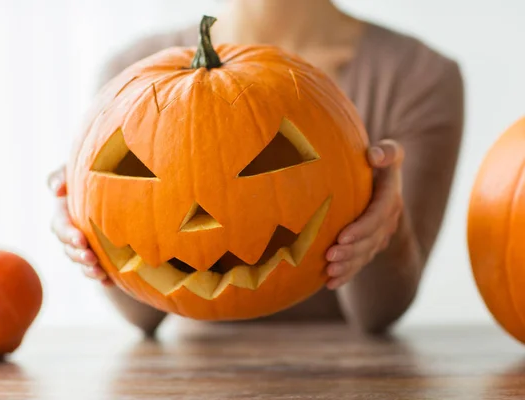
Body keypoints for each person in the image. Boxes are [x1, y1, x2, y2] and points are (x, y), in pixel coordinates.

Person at [48, 0, 464, 336]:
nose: (202, 220)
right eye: (138, 169)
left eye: (263, 165)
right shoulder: (132, 71)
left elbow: (380, 313)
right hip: (189, 376)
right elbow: (144, 317)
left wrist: (384, 230)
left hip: (343, 370)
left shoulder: (421, 76)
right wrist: (89, 219)